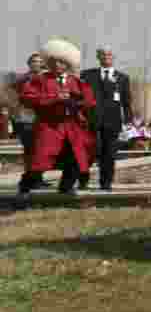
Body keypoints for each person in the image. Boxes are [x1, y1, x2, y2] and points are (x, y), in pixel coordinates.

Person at [17, 39, 96, 201]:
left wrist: (74, 102)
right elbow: (26, 98)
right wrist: (54, 98)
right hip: (49, 126)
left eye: (61, 62)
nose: (58, 65)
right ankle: (25, 187)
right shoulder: (40, 80)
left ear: (67, 65)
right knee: (40, 160)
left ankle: (66, 188)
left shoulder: (76, 82)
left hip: (71, 126)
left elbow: (89, 101)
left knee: (77, 157)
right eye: (54, 62)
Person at [80, 48, 133, 191]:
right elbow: (80, 97)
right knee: (89, 152)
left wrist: (128, 121)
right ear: (98, 57)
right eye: (103, 54)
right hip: (92, 121)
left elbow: (126, 102)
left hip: (112, 123)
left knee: (109, 155)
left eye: (109, 54)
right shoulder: (87, 75)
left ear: (113, 57)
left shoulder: (122, 78)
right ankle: (82, 181)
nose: (106, 57)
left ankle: (106, 183)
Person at [13, 52, 47, 192]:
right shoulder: (22, 79)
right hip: (26, 120)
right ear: (29, 64)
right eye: (33, 61)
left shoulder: (47, 78)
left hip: (43, 120)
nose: (36, 64)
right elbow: (13, 97)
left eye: (39, 61)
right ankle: (28, 180)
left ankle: (38, 178)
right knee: (29, 151)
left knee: (41, 151)